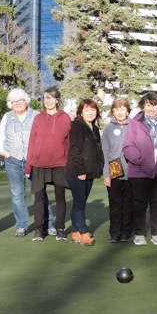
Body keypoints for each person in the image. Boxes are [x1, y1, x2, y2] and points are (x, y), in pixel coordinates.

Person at [0, 88, 55, 237]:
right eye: (14, 102)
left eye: (20, 100)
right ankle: (21, 225)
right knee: (17, 195)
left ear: (26, 101)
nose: (17, 104)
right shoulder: (7, 117)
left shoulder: (36, 115)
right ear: (10, 104)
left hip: (34, 161)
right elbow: (0, 136)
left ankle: (48, 224)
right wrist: (3, 152)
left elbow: (45, 136)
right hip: (13, 160)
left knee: (38, 194)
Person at [123, 92, 157, 245]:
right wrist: (139, 161)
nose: (151, 108)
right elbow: (128, 145)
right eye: (148, 105)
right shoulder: (135, 122)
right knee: (139, 203)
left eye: (154, 105)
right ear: (143, 106)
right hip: (139, 171)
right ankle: (139, 234)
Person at [25, 86, 71, 242]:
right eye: (45, 98)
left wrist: (70, 163)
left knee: (60, 197)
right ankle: (39, 230)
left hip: (60, 163)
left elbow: (69, 143)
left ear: (57, 99)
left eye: (50, 98)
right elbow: (32, 142)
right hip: (39, 163)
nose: (47, 101)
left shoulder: (65, 117)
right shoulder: (38, 118)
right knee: (39, 197)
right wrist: (29, 165)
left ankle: (60, 229)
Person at [66, 98, 105, 246]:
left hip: (90, 171)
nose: (90, 112)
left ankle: (75, 231)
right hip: (77, 172)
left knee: (79, 202)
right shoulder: (77, 126)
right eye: (87, 110)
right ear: (81, 112)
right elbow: (75, 150)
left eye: (93, 110)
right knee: (80, 202)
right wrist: (80, 170)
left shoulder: (94, 128)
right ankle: (83, 231)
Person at [101, 97, 134, 243]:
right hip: (113, 168)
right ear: (113, 111)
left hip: (131, 169)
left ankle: (126, 232)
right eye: (116, 109)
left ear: (127, 110)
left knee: (128, 203)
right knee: (115, 203)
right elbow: (105, 152)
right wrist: (106, 174)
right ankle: (115, 233)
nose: (120, 112)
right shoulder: (108, 128)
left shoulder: (135, 126)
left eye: (122, 109)